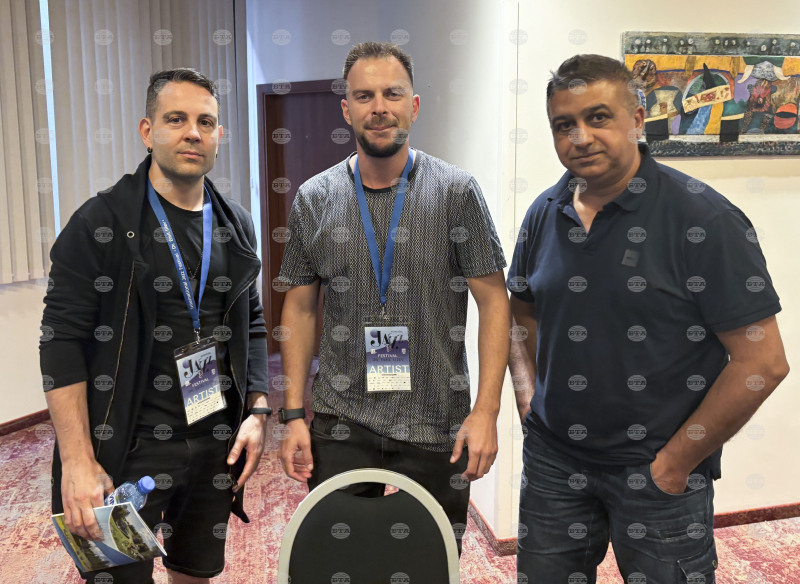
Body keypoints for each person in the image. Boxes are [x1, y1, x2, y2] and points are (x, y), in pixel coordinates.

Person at [507, 54, 789, 583]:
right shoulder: (545, 212)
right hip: (553, 464)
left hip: (657, 473)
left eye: (598, 117)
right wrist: (528, 397)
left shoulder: (703, 219)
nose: (580, 137)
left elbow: (763, 362)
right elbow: (520, 311)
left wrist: (676, 463)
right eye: (564, 125)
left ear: (637, 119)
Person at [277, 41, 510, 551]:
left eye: (392, 94)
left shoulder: (456, 192)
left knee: (430, 558)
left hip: (436, 418)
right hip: (344, 418)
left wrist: (487, 411)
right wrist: (293, 415)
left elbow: (495, 302)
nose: (379, 107)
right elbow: (299, 306)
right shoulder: (315, 198)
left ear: (414, 105)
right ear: (347, 109)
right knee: (340, 556)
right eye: (364, 96)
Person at [40, 68, 270, 584]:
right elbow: (60, 344)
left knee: (196, 572)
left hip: (214, 441)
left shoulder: (235, 224)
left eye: (205, 122)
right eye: (176, 119)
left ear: (219, 135)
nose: (193, 133)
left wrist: (257, 410)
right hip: (124, 447)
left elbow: (251, 322)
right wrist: (77, 462)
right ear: (148, 131)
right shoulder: (99, 224)